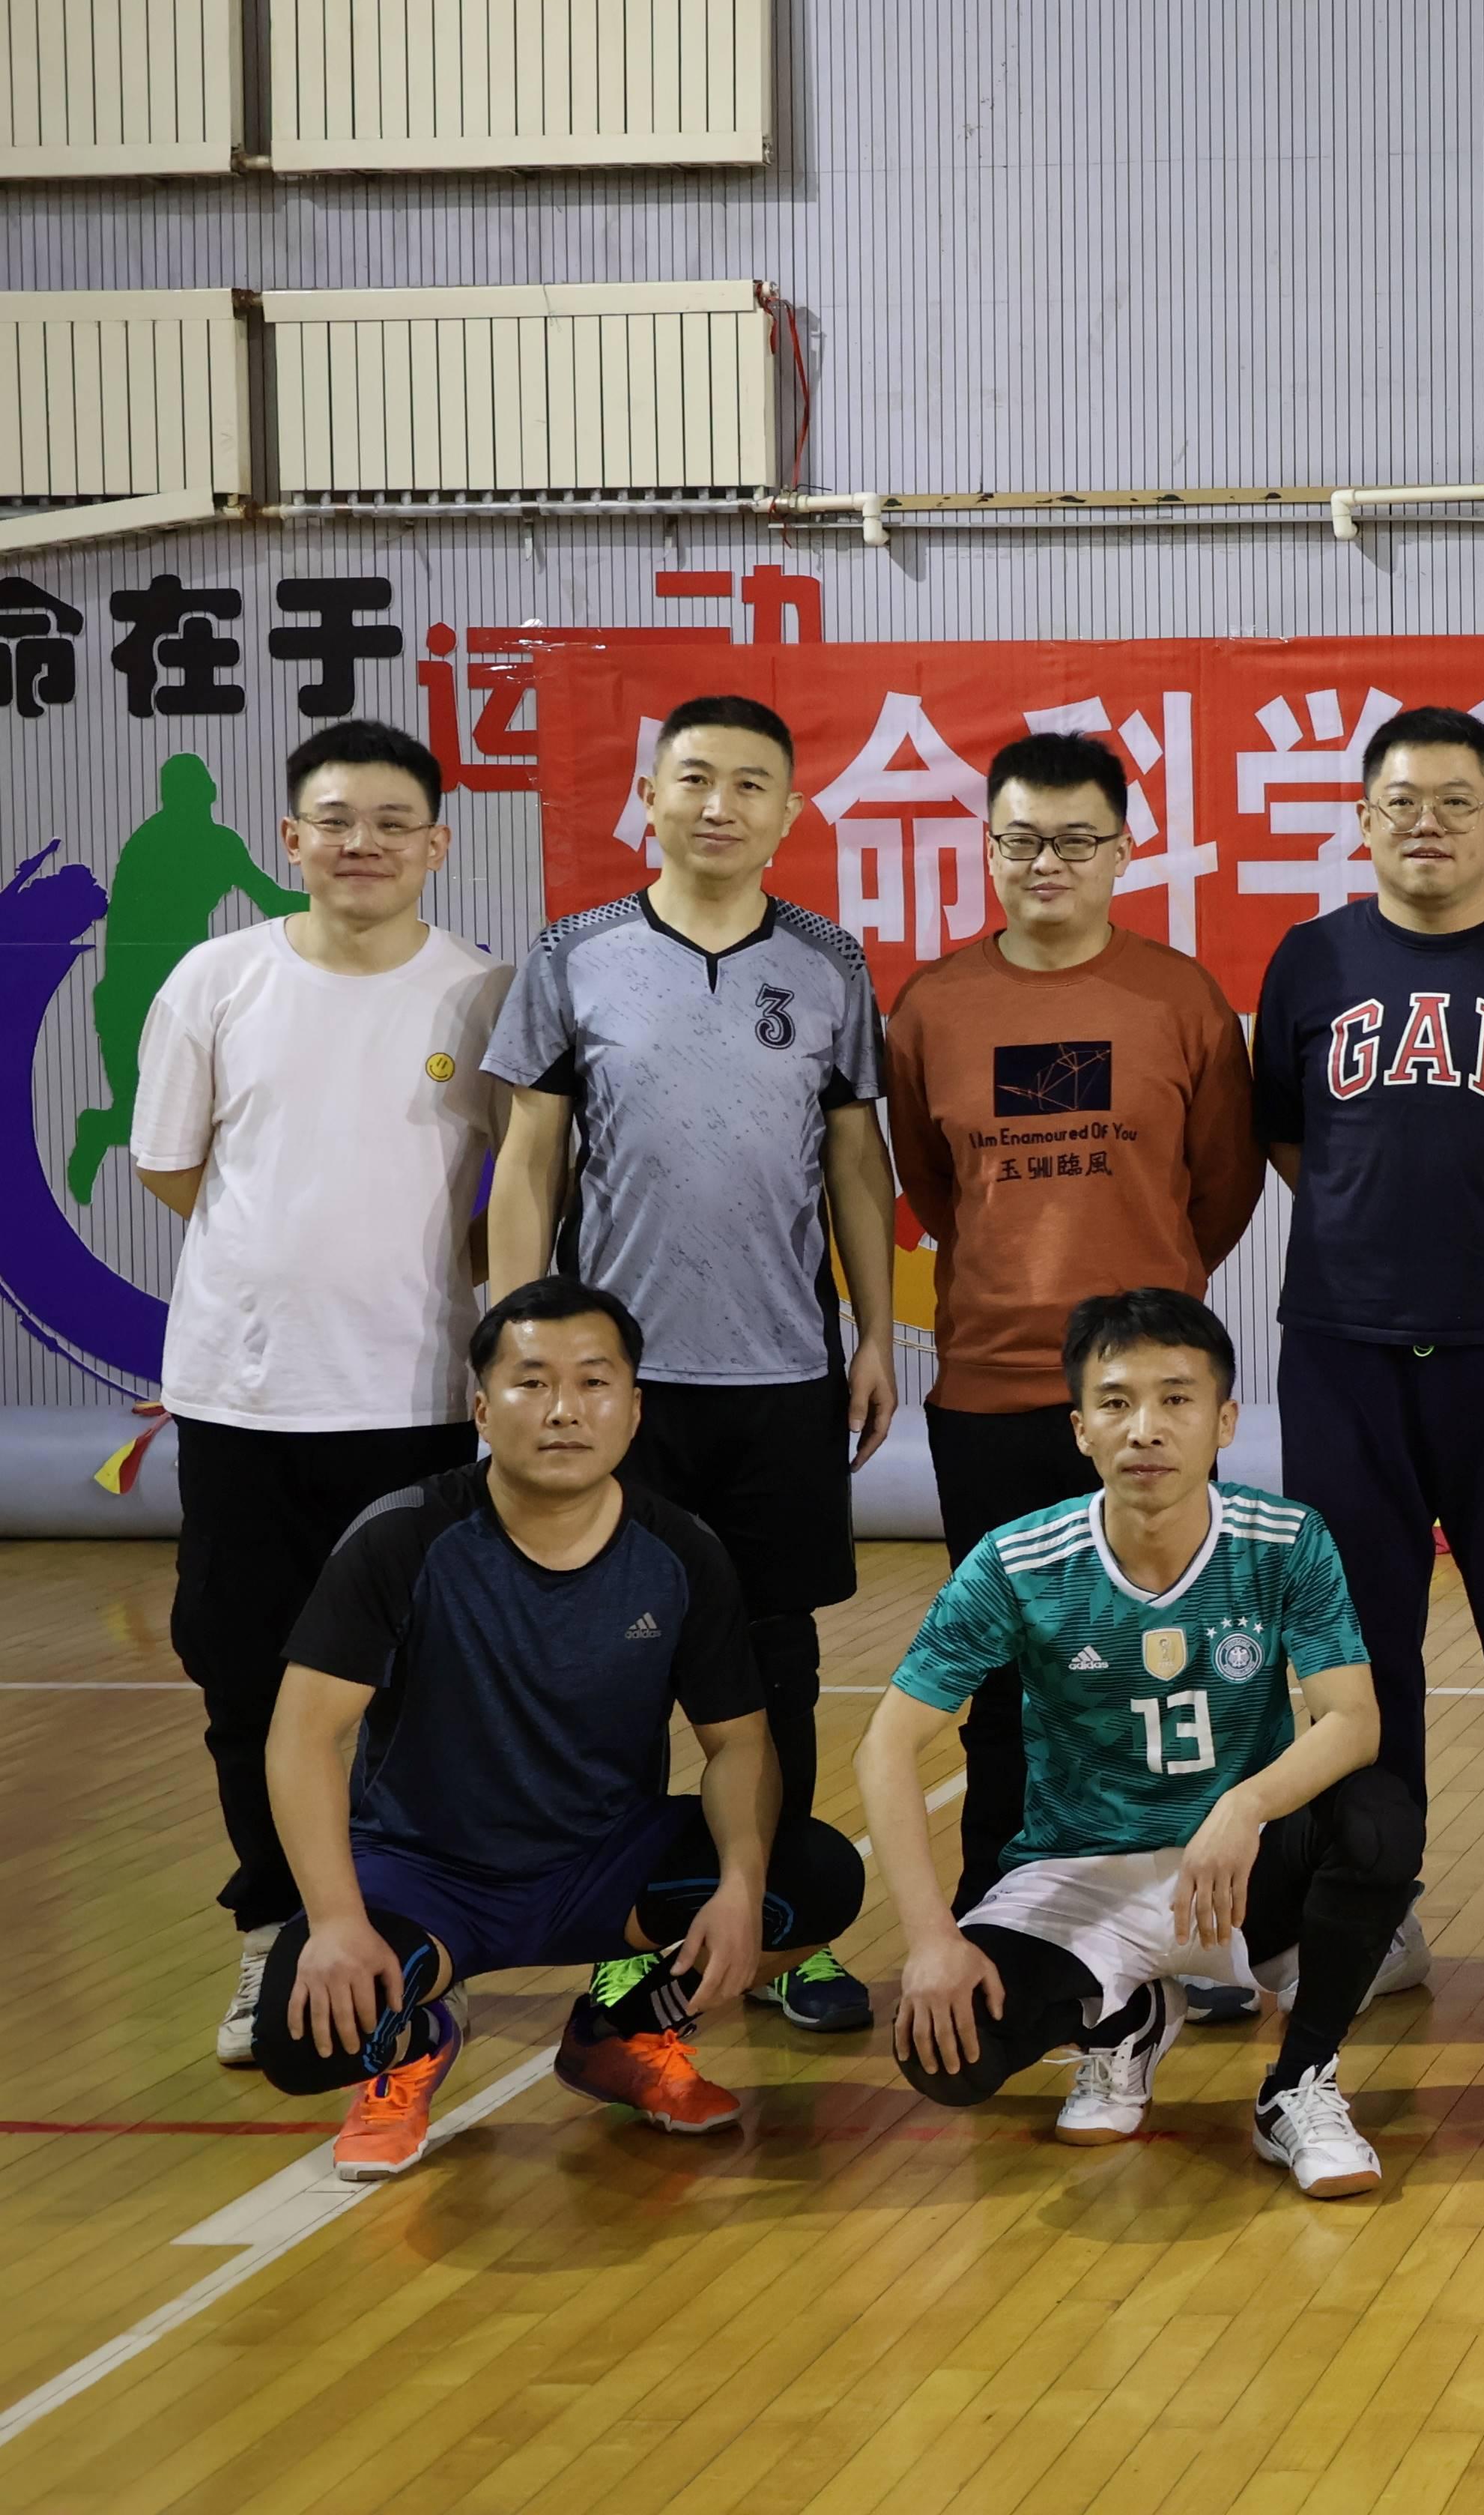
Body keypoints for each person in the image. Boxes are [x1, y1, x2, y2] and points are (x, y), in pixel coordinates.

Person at [251, 1279, 864, 2181]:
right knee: (299, 2038)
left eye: (593, 1382)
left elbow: (738, 1741)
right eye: (532, 1382)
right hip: (424, 1874)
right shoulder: (403, 1538)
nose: (564, 1409)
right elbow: (300, 1737)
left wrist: (738, 1883)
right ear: (481, 1409)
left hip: (602, 1867)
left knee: (814, 1876)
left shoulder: (681, 1552)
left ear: (634, 1408)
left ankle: (621, 2035)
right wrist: (339, 1922)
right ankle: (417, 2041)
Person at [484, 693, 896, 2033]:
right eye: (696, 778)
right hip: (618, 1400)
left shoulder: (831, 963)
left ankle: (785, 1935)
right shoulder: (575, 954)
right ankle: (624, 1936)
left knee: (776, 1669)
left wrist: (877, 1333)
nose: (721, 805)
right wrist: (521, 1353)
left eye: (751, 784)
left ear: (790, 812)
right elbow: (529, 1160)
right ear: (648, 798)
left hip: (780, 1379)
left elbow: (855, 1162)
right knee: (609, 1676)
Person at [862, 1289, 1422, 2200]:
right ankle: (1121, 2017)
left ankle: (1299, 2083)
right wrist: (929, 1939)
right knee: (946, 2054)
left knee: (1380, 1818)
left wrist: (1244, 1806)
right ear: (1080, 1428)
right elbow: (886, 1745)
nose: (1146, 1428)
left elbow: (1354, 1720)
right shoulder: (1017, 1559)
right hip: (1083, 1871)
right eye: (1116, 1402)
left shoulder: (1286, 1540)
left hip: (1237, 1871)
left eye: (1176, 1399)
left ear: (1224, 1421)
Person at [133, 720, 512, 2065]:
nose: (363, 843)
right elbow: (172, 1164)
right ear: (291, 838)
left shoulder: (482, 992)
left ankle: (406, 1930)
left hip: (418, 1404)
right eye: (336, 820)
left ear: (437, 845)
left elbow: (522, 1182)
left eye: (393, 821)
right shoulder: (217, 978)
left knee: (421, 1690)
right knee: (244, 1678)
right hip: (244, 1403)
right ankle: (273, 1933)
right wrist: (275, 1261)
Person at [1253, 700, 1484, 2028]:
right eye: (1401, 802)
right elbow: (1289, 1136)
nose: (1428, 823)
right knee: (1361, 1644)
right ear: (1362, 820)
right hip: (1343, 1345)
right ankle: (1382, 1904)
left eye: (1457, 801)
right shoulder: (1309, 960)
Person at [886, 730, 1262, 1922]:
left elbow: (1223, 1185)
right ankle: (1006, 1907)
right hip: (989, 1392)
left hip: (1150, 1398)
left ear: (1123, 851)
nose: (1047, 861)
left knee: (1178, 1663)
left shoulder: (1181, 999)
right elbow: (933, 1186)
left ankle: (1191, 1915)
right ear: (989, 847)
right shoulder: (933, 1006)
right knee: (1004, 1676)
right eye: (1021, 840)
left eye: (1075, 840)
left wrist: (1146, 1322)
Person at [68, 748, 303, 1202]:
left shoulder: (206, 843)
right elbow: (273, 901)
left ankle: (100, 1128)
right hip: (142, 994)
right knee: (156, 1118)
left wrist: (336, 903)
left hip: (174, 995)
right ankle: (99, 1130)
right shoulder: (166, 843)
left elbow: (271, 900)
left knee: (178, 1115)